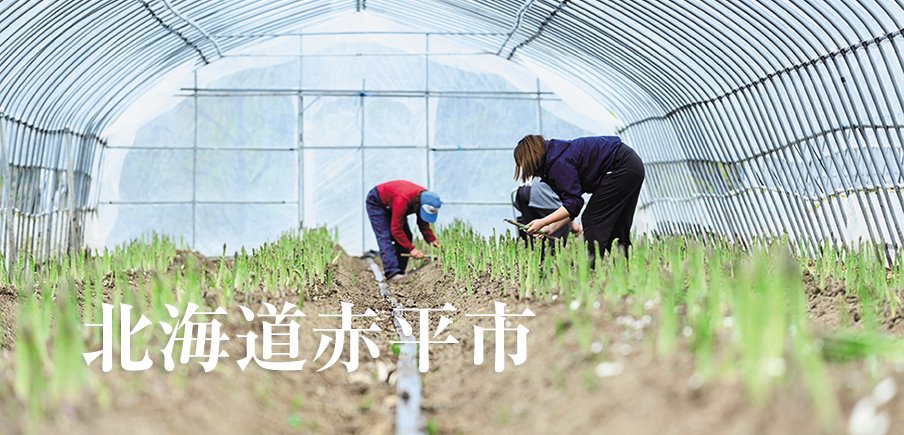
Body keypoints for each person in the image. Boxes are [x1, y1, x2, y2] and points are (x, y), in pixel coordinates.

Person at [513, 134, 644, 259]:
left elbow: (574, 204)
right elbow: (570, 207)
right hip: (631, 165)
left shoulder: (559, 164)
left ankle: (589, 268)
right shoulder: (554, 159)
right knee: (617, 226)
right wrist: (551, 227)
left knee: (592, 219)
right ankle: (624, 267)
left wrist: (542, 222)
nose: (526, 169)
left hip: (621, 166)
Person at [366, 180, 442, 282]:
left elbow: (423, 223)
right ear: (419, 205)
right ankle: (392, 273)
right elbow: (396, 229)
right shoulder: (403, 200)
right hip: (377, 201)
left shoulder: (425, 199)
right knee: (385, 237)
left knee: (407, 235)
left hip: (393, 203)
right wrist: (412, 250)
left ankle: (400, 271)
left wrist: (432, 240)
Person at [511, 178, 579, 244]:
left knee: (532, 237)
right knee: (555, 241)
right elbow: (571, 202)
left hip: (525, 188)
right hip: (545, 191)